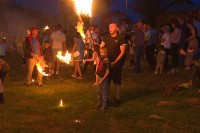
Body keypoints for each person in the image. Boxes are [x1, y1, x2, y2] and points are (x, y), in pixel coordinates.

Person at [100, 22, 126, 107]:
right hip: (107, 63)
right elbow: (101, 46)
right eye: (109, 27)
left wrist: (115, 62)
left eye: (111, 27)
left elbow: (122, 52)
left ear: (116, 28)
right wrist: (97, 46)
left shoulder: (120, 38)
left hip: (117, 63)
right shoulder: (107, 37)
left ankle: (117, 99)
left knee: (117, 81)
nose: (109, 28)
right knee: (107, 81)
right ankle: (106, 99)